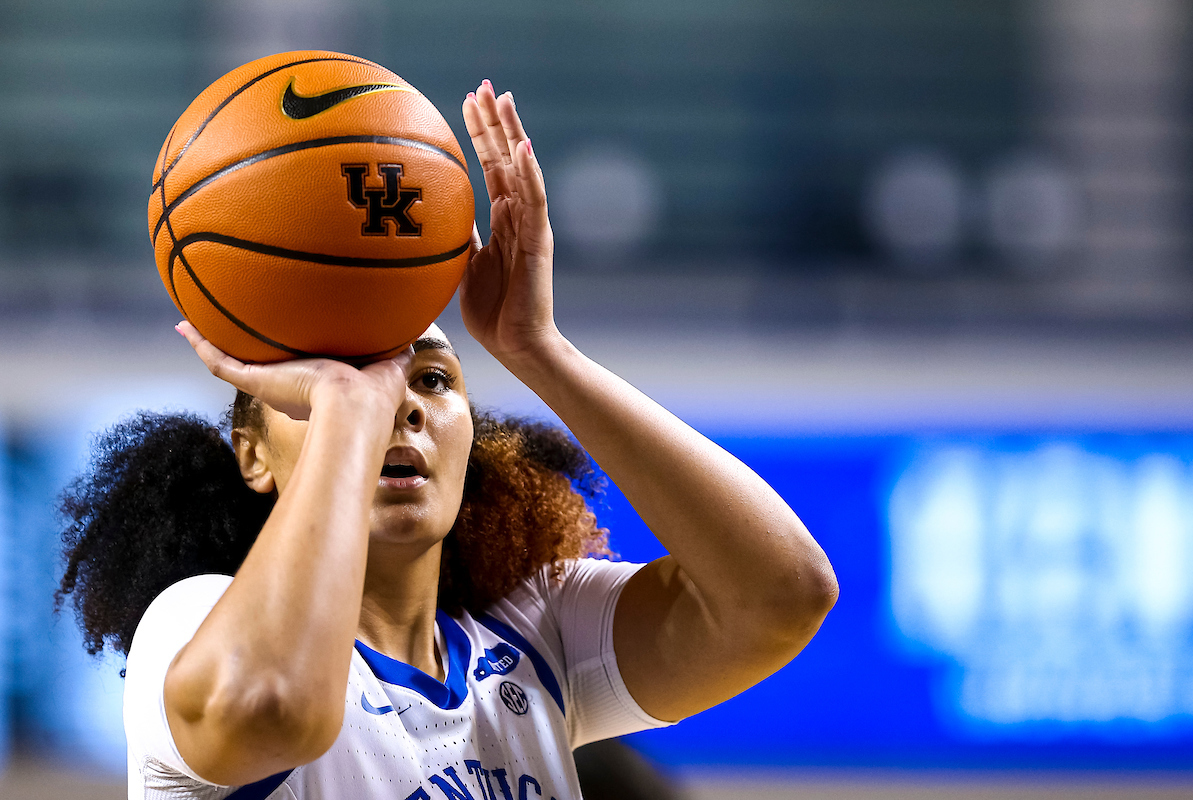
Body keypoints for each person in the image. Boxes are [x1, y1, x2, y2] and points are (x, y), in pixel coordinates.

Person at [58, 80, 838, 800]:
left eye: (430, 379)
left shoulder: (536, 631)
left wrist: (541, 350)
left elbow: (781, 594)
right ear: (252, 452)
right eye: (340, 375)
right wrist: (346, 413)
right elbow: (274, 709)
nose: (393, 403)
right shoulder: (194, 619)